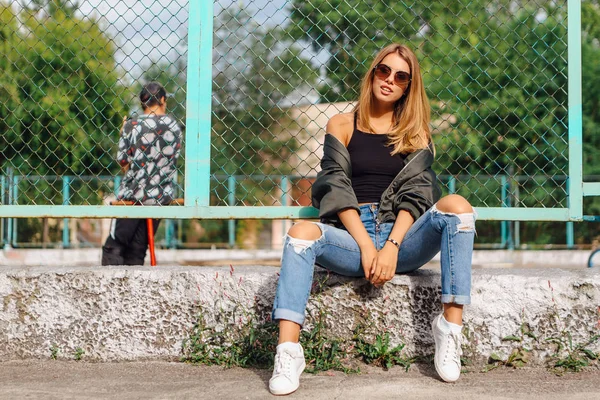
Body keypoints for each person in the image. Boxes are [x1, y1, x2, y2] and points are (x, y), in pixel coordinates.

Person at [268, 43, 476, 395]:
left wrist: (392, 245)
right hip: (353, 236)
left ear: (408, 86)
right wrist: (366, 245)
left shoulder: (416, 131)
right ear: (372, 72)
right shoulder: (342, 123)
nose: (389, 80)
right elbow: (335, 183)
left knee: (457, 206)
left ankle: (450, 329)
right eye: (384, 70)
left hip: (403, 235)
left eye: (400, 76)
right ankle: (288, 353)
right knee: (300, 233)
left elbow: (418, 193)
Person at [101, 82, 182, 266]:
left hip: (133, 195)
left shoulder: (133, 125)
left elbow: (123, 160)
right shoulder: (175, 127)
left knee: (114, 245)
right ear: (162, 99)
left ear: (142, 102)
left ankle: (109, 288)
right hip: (160, 196)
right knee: (138, 249)